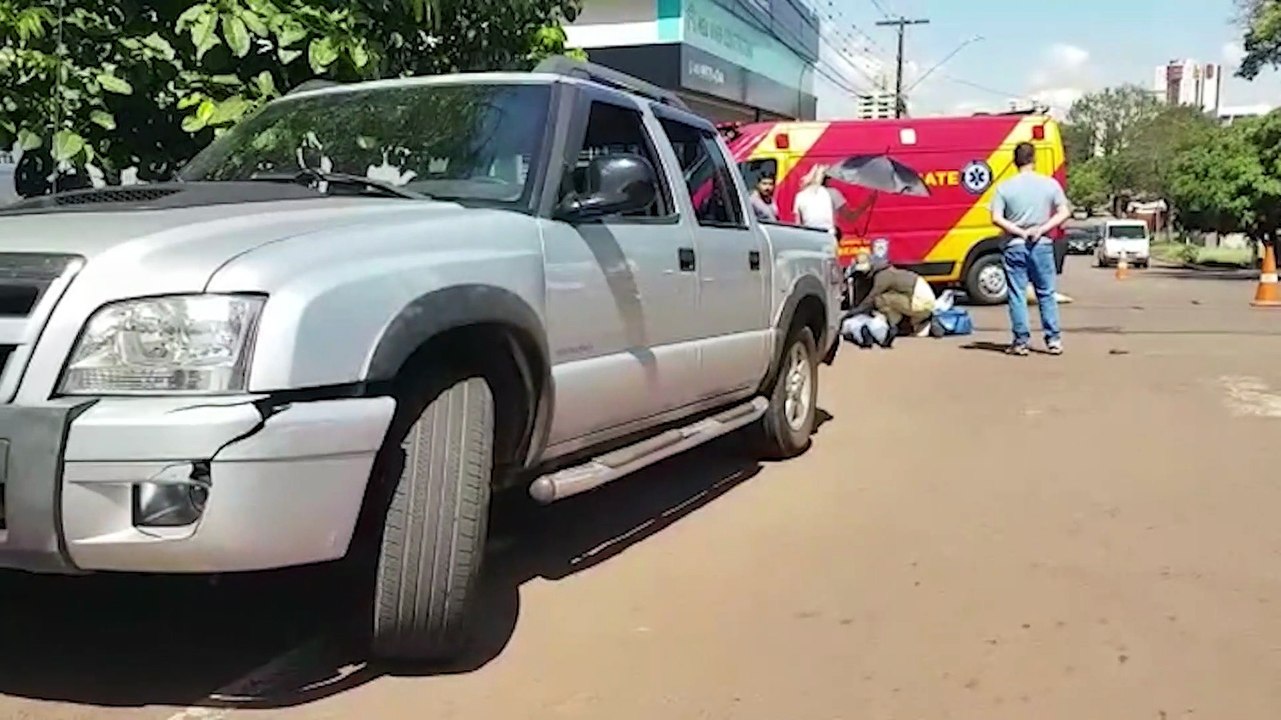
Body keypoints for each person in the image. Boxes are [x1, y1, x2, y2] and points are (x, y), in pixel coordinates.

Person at [988, 141, 1073, 356]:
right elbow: (1064, 212)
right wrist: (1042, 228)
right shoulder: (1050, 185)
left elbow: (996, 218)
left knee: (1017, 294)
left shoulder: (1004, 187)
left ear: (1015, 161)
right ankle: (1053, 340)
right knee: (1046, 293)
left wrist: (1018, 231)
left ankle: (1021, 341)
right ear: (1033, 160)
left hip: (1014, 245)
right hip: (1042, 243)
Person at [845, 251, 936, 346]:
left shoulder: (883, 276)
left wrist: (853, 312)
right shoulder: (889, 271)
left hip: (920, 301)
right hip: (922, 300)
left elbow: (871, 299)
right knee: (888, 300)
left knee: (880, 300)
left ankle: (890, 327)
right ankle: (892, 328)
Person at [794, 164, 836, 235]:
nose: (801, 180)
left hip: (818, 234)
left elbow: (798, 222)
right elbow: (798, 221)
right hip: (822, 234)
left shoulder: (820, 191)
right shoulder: (800, 196)